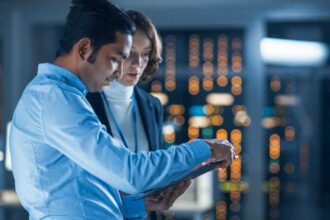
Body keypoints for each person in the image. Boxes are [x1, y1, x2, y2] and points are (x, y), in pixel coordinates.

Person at [9, 0, 235, 219]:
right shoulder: (55, 98)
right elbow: (131, 173)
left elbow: (80, 194)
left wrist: (137, 204)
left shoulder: (65, 97)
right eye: (116, 59)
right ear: (85, 48)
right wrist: (204, 148)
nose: (119, 72)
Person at [86, 10, 187, 218]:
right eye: (130, 52)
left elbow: (152, 167)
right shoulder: (85, 101)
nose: (138, 62)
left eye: (145, 53)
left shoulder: (152, 105)